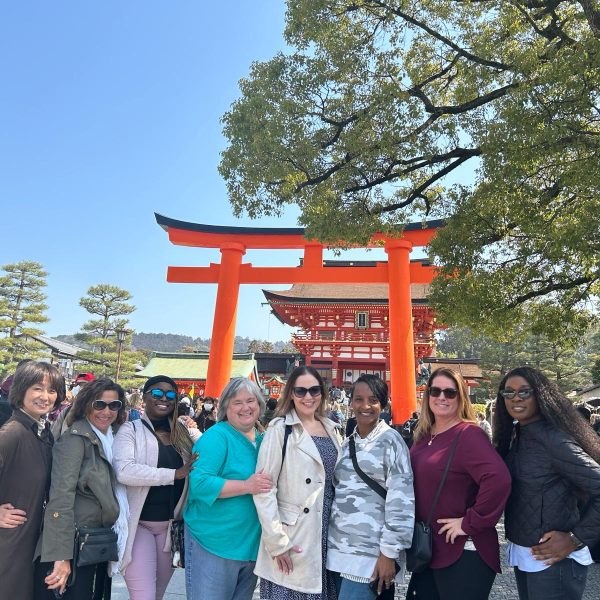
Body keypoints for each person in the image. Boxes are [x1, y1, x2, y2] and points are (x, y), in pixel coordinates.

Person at [493, 366, 600, 600]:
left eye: (524, 392)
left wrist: (575, 538)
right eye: (508, 393)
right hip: (526, 553)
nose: (516, 398)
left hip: (556, 563)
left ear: (540, 395)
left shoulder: (553, 439)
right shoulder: (516, 435)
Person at [408, 367, 511, 600]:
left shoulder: (468, 434)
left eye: (450, 392)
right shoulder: (424, 435)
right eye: (435, 391)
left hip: (462, 549)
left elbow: (498, 479)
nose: (441, 397)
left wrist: (469, 522)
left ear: (461, 397)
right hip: (429, 547)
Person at [254, 365, 342, 598]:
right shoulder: (280, 430)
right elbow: (264, 489)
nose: (308, 397)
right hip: (294, 535)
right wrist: (277, 542)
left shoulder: (332, 429)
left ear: (322, 393)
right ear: (290, 393)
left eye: (314, 390)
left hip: (326, 534)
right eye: (300, 391)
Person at [37, 378, 128, 599]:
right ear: (86, 404)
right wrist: (62, 557)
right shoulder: (75, 441)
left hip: (96, 541)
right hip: (75, 543)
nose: (106, 411)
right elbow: (60, 497)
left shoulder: (111, 438)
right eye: (100, 404)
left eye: (114, 405)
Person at [327, 374, 415, 599]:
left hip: (370, 557)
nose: (365, 406)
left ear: (383, 404)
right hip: (337, 553)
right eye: (358, 399)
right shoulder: (347, 443)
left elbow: (402, 502)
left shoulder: (392, 441)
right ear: (351, 402)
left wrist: (389, 554)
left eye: (373, 400)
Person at [184, 378, 272, 600]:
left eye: (251, 401)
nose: (246, 408)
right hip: (214, 542)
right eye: (237, 403)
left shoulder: (263, 440)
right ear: (225, 408)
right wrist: (246, 486)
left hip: (250, 545)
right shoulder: (217, 436)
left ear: (259, 405)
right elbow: (199, 482)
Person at [113, 375, 200, 600]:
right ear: (144, 397)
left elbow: (208, 450)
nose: (164, 398)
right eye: (157, 393)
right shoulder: (130, 430)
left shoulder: (184, 434)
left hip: (170, 528)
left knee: (157, 595)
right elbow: (124, 471)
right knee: (144, 596)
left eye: (171, 395)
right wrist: (174, 474)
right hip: (139, 524)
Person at [0, 362, 63, 600]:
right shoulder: (11, 434)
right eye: (38, 388)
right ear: (21, 390)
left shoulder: (42, 432)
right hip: (8, 547)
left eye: (52, 390)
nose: (45, 397)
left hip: (29, 545)